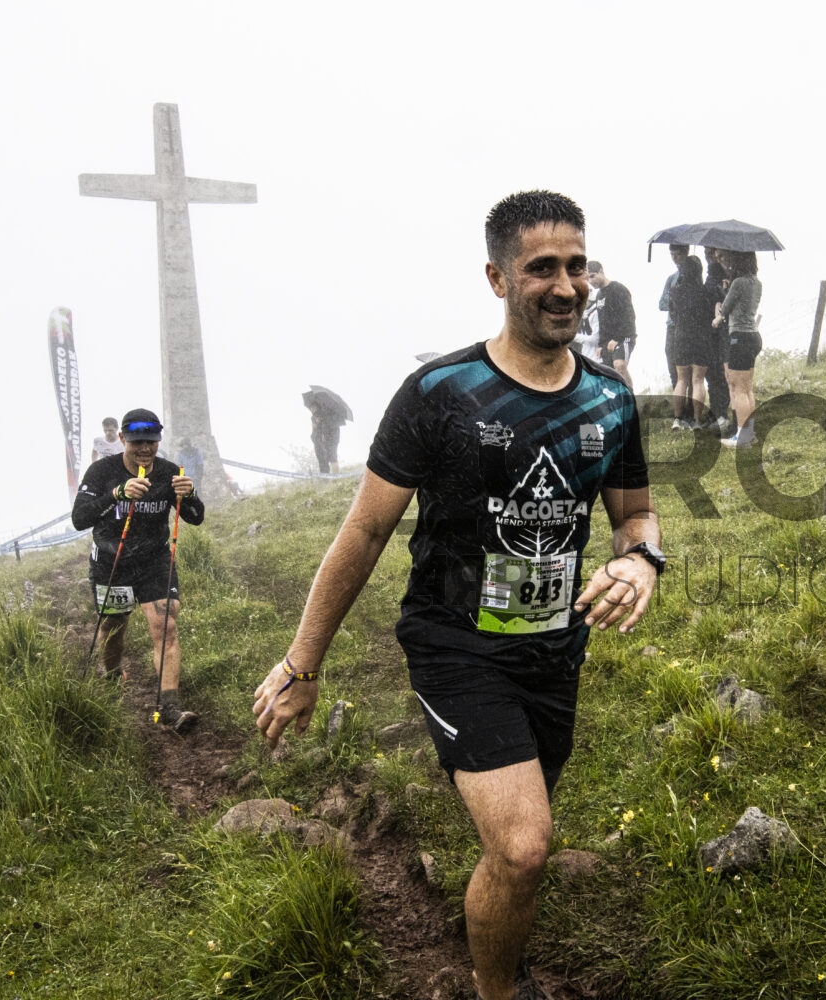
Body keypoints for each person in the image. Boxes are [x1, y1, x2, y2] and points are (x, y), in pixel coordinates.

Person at [251, 190, 662, 1000]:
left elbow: (634, 514)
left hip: (554, 650)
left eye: (577, 266)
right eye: (541, 268)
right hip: (455, 647)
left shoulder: (609, 398)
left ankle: (503, 955)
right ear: (497, 278)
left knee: (520, 847)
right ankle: (497, 990)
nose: (566, 286)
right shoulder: (442, 392)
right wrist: (303, 664)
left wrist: (642, 559)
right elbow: (366, 530)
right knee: (524, 846)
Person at [72, 407, 203, 731]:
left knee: (165, 625)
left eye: (151, 441)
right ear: (122, 439)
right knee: (113, 627)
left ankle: (169, 708)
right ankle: (112, 676)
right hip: (111, 561)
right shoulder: (101, 471)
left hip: (154, 560)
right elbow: (79, 519)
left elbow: (195, 517)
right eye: (136, 442)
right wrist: (117, 494)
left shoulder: (169, 472)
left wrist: (190, 495)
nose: (145, 448)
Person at [715, 249, 763, 445]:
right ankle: (749, 434)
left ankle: (742, 437)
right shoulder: (757, 283)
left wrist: (717, 316)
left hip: (739, 338)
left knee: (737, 388)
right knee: (747, 388)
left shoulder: (738, 282)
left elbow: (725, 309)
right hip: (753, 337)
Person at [669, 244, 714, 429]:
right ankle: (696, 420)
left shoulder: (675, 291)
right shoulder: (706, 292)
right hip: (701, 337)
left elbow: (673, 314)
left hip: (681, 336)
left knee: (682, 380)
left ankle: (677, 420)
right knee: (698, 380)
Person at [588, 260, 637, 389]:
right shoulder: (599, 296)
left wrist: (617, 338)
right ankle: (619, 399)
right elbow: (602, 323)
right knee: (608, 375)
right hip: (606, 342)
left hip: (624, 337)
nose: (591, 281)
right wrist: (600, 345)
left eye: (592, 276)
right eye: (588, 279)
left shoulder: (618, 289)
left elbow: (629, 316)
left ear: (601, 271)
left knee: (619, 366)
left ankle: (630, 397)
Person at [702, 249, 732, 432]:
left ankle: (722, 414)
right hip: (710, 329)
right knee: (712, 372)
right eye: (706, 252)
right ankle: (715, 412)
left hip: (722, 329)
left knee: (721, 373)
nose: (709, 255)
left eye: (711, 252)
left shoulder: (725, 273)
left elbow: (722, 299)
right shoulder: (710, 273)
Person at [308, 399, 343, 473]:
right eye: (311, 408)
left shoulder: (331, 414)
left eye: (313, 407)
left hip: (331, 440)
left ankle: (336, 476)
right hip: (319, 442)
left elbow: (330, 428)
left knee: (333, 458)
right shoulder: (314, 417)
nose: (312, 409)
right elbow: (315, 433)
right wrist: (316, 426)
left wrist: (324, 434)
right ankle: (325, 476)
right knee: (323, 460)